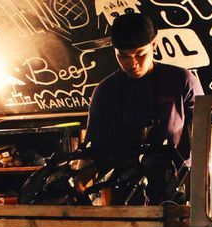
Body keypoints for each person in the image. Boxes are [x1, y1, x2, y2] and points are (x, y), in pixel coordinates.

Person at [85, 13, 202, 163]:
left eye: (140, 54)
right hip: (122, 181)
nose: (132, 63)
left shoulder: (182, 80)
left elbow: (205, 139)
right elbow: (93, 147)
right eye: (124, 56)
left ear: (154, 45)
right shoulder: (106, 91)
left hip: (177, 180)